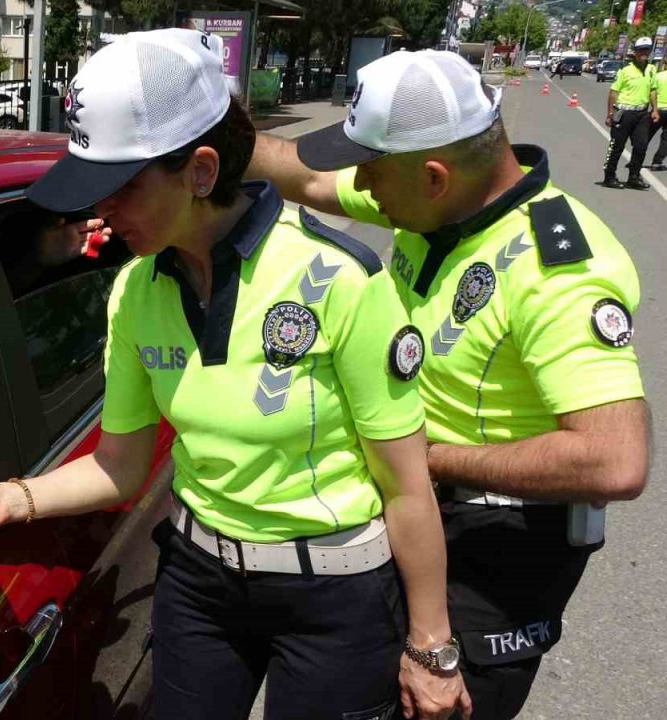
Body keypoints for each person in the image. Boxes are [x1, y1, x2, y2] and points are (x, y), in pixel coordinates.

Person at [0, 28, 469, 720]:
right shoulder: (135, 291)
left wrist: (432, 647)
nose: (99, 210)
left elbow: (406, 486)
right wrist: (16, 498)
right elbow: (120, 466)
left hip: (333, 597)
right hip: (199, 585)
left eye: (120, 187)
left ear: (200, 171)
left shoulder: (338, 279)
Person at [244, 49, 650, 720]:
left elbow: (615, 459)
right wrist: (198, 132)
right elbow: (305, 176)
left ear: (433, 176)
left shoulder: (557, 270)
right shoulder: (438, 206)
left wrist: (429, 460)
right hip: (415, 515)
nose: (362, 186)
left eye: (371, 170)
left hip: (492, 549)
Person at [599, 38, 657, 189]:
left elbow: (652, 90)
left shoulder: (652, 69)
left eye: (646, 49)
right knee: (616, 146)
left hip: (642, 114)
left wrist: (655, 109)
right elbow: (613, 92)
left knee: (641, 146)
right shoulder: (625, 70)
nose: (644, 53)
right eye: (641, 49)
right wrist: (610, 114)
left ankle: (634, 177)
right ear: (635, 52)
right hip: (624, 113)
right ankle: (609, 177)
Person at [645, 60, 665, 171]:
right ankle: (657, 162)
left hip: (657, 110)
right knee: (666, 140)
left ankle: (636, 159)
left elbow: (651, 93)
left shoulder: (658, 76)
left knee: (646, 135)